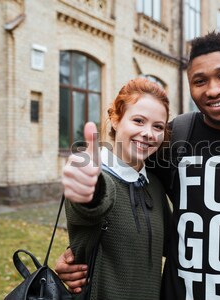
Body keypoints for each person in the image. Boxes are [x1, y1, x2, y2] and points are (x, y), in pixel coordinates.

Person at [56, 31, 220, 299]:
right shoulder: (177, 135)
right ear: (190, 86)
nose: (213, 89)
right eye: (200, 81)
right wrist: (80, 249)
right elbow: (115, 189)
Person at [62, 78, 171, 299]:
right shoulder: (98, 178)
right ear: (114, 119)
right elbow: (94, 202)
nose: (149, 133)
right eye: (138, 121)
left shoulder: (155, 187)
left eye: (158, 126)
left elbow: (172, 246)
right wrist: (89, 187)